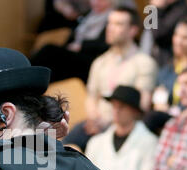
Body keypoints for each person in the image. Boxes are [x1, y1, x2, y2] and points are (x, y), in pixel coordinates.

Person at [64, 6, 158, 151]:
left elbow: (142, 104)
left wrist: (106, 122)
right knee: (63, 148)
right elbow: (91, 96)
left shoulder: (144, 63)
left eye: (118, 24)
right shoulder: (100, 62)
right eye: (109, 23)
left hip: (125, 126)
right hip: (96, 124)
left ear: (133, 30)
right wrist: (94, 119)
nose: (110, 28)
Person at [85, 86, 158, 170]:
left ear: (134, 111)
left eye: (122, 107)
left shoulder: (150, 142)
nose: (116, 111)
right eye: (114, 106)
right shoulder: (96, 142)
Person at [30, 0, 114, 83]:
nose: (96, 2)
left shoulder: (112, 18)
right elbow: (74, 33)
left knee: (49, 51)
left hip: (91, 58)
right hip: (76, 53)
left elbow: (105, 44)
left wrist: (81, 46)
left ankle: (28, 74)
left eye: (101, 0)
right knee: (51, 59)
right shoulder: (90, 15)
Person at [140, 0, 187, 67]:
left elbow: (158, 34)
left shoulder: (183, 10)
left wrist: (154, 9)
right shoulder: (167, 8)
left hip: (171, 64)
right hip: (159, 62)